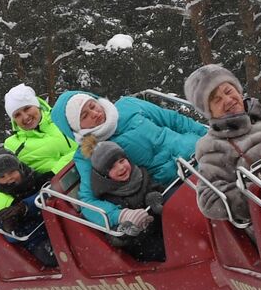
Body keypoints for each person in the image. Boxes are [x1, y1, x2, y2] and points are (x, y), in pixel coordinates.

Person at [49, 89, 206, 229]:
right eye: (85, 116)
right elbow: (87, 202)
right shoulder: (89, 153)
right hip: (174, 183)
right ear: (76, 128)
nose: (95, 113)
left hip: (200, 154)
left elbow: (173, 120)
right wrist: (120, 215)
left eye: (92, 105)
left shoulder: (128, 106)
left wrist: (208, 136)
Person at [184, 64, 261, 225]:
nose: (227, 100)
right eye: (216, 100)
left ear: (238, 90)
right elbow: (210, 200)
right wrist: (258, 194)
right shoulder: (212, 146)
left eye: (228, 91)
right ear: (208, 111)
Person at [0, 84, 76, 211]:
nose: (25, 117)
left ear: (37, 104)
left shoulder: (62, 117)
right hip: (63, 190)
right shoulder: (14, 144)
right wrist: (14, 206)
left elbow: (90, 141)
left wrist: (55, 170)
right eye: (17, 115)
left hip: (90, 168)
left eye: (27, 108)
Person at [90, 141, 167, 262]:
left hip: (158, 225)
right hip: (140, 241)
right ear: (105, 175)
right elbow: (111, 234)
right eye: (112, 167)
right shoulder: (108, 196)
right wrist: (124, 231)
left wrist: (153, 197)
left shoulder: (141, 174)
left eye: (121, 161)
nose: (121, 168)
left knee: (177, 227)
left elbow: (154, 188)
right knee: (162, 249)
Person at [0, 150, 57, 268]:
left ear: (20, 169)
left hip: (59, 221)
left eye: (12, 172)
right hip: (39, 239)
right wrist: (9, 224)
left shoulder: (36, 179)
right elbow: (9, 233)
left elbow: (52, 190)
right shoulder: (4, 199)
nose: (9, 178)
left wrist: (26, 206)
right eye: (2, 177)